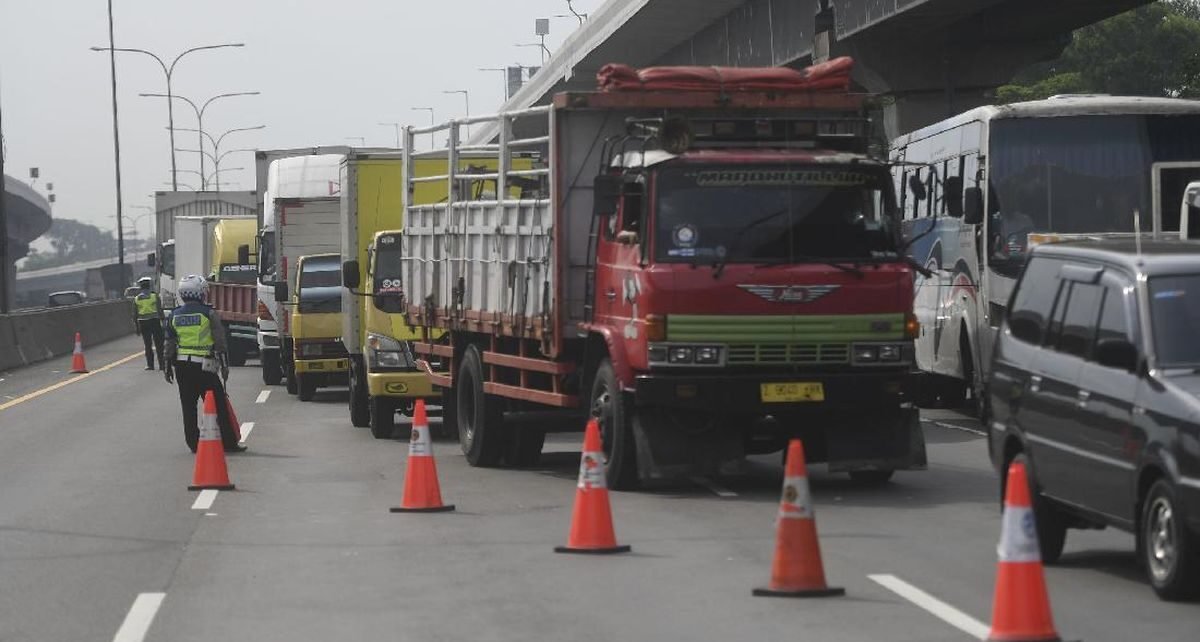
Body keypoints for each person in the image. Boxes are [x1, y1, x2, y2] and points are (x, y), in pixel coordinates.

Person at [163, 274, 246, 454]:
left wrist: (167, 366)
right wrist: (225, 365)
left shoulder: (174, 315)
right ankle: (229, 442)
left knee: (188, 407)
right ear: (200, 293)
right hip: (205, 367)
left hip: (182, 367)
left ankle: (194, 444)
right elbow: (220, 342)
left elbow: (169, 344)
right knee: (218, 404)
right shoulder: (208, 313)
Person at [132, 277, 164, 370]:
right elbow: (160, 310)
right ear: (149, 286)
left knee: (147, 344)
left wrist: (137, 327)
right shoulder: (155, 296)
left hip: (143, 323)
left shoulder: (136, 299)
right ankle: (162, 365)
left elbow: (134, 314)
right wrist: (163, 322)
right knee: (159, 344)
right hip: (155, 322)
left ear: (141, 287)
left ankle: (150, 365)